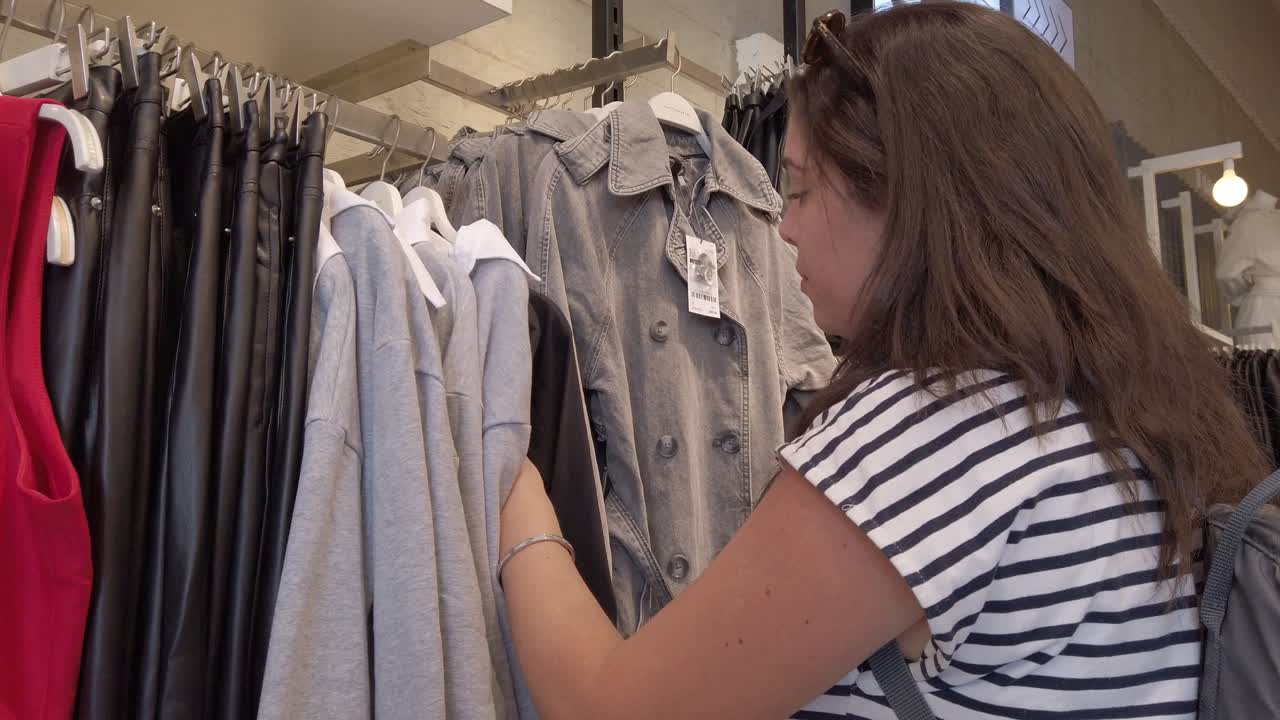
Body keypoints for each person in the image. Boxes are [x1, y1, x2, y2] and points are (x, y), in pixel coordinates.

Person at [496, 4, 1266, 719]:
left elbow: (610, 707)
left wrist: (509, 471)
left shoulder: (939, 429)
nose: (783, 230)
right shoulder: (1107, 410)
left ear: (907, 199)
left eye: (798, 189)